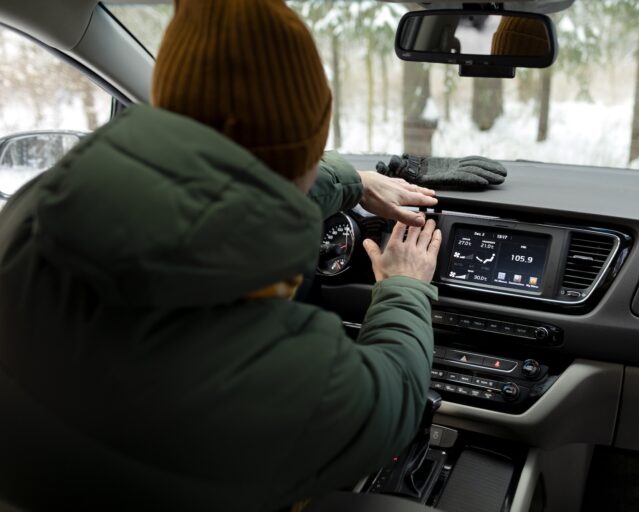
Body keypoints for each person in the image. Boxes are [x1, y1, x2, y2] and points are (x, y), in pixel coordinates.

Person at [0, 1, 441, 511]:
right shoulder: (277, 372)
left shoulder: (35, 209)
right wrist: (403, 289)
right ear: (303, 154)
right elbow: (395, 401)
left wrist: (350, 181)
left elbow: (231, 179)